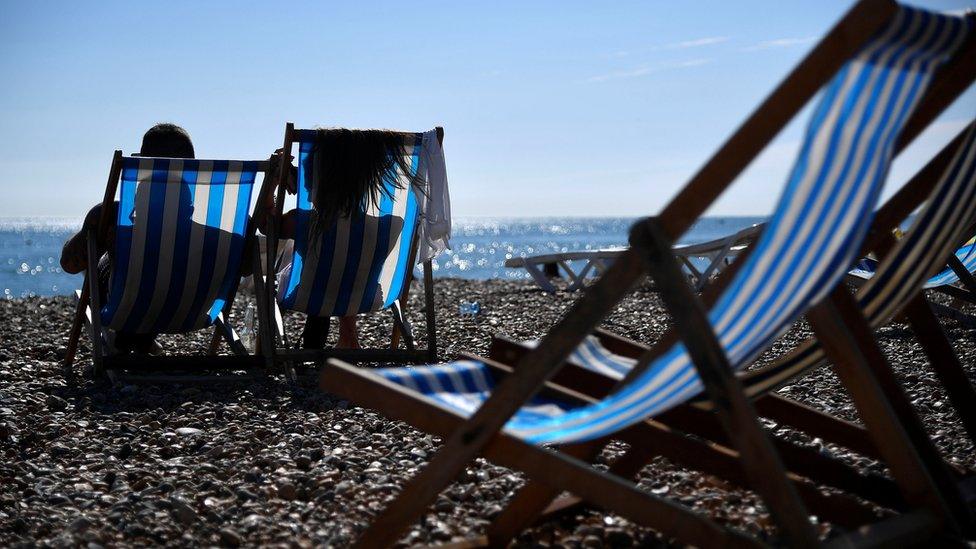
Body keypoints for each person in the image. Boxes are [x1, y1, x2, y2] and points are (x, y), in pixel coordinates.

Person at [60, 123, 196, 354]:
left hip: (127, 308)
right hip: (190, 312)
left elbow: (69, 265)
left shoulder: (111, 215)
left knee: (114, 255)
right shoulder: (209, 226)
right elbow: (242, 269)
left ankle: (128, 332)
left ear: (142, 161)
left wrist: (98, 222)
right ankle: (143, 337)